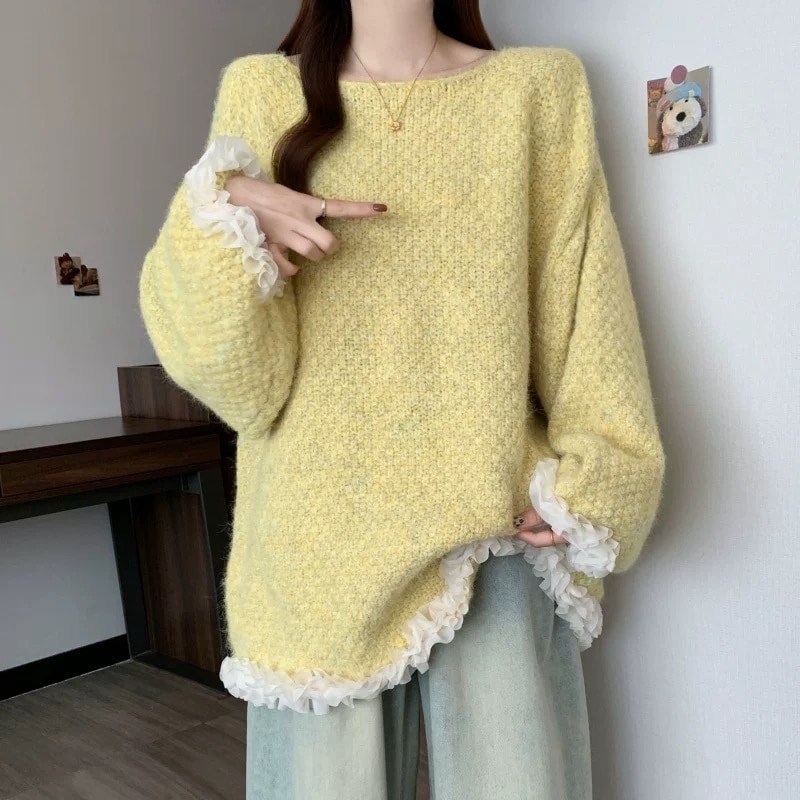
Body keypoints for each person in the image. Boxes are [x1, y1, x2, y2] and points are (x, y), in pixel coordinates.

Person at [138, 1, 666, 797]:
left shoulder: (537, 88)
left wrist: (600, 476)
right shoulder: (261, 92)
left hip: (489, 530)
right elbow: (245, 389)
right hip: (313, 547)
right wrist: (225, 216)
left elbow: (584, 302)